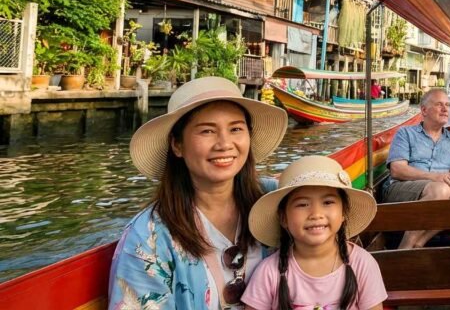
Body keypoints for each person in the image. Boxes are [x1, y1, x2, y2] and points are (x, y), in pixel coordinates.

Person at [108, 76, 289, 309]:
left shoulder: (275, 200)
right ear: (177, 145)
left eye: (235, 129)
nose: (224, 144)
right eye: (207, 131)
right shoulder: (149, 238)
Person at [242, 155, 387, 310]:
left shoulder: (362, 264)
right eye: (303, 204)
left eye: (328, 202)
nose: (316, 214)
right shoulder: (269, 272)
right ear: (283, 218)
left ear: (343, 212)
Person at [384, 88, 450, 248]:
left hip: (442, 189)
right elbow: (397, 170)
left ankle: (420, 240)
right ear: (424, 110)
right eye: (439, 104)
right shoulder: (406, 133)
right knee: (441, 190)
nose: (445, 109)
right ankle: (405, 247)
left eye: (447, 105)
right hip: (402, 188)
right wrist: (435, 177)